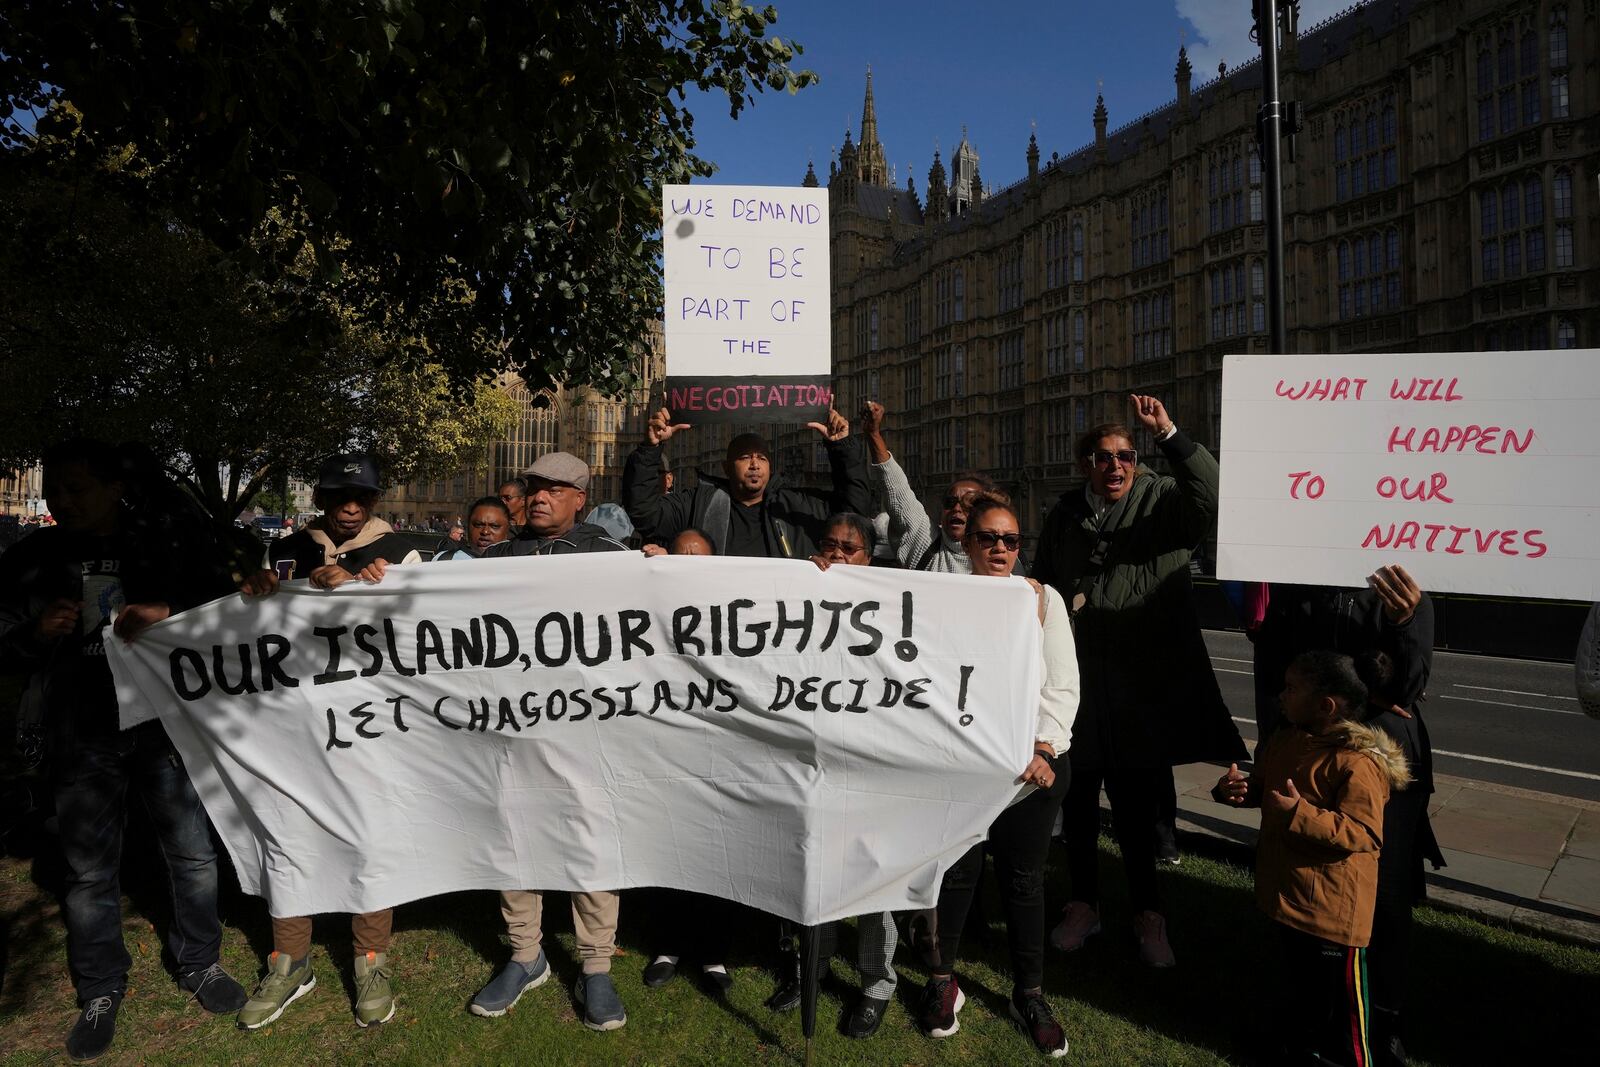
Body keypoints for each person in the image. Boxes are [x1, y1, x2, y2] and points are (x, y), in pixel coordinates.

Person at [0, 440, 248, 1061]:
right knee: (88, 872)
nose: (63, 501)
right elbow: (3, 644)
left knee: (191, 852)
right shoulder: (32, 558)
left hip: (166, 727)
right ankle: (101, 987)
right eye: (55, 489)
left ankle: (201, 962)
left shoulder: (165, 546)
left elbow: (225, 611)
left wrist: (171, 612)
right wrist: (35, 633)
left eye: (77, 487)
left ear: (114, 489)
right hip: (79, 733)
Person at [1032, 396, 1245, 968]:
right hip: (1078, 685)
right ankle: (1083, 905)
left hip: (1139, 688)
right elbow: (1044, 586)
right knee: (1076, 807)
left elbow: (1213, 496)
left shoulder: (1165, 501)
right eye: (1103, 457)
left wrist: (1171, 434)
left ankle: (1149, 914)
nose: (1116, 466)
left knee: (1136, 814)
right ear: (1086, 464)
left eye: (1126, 456)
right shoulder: (1065, 515)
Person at [235, 453, 421, 1030]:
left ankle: (370, 958)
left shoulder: (406, 549)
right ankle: (290, 959)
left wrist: (370, 591)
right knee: (288, 834)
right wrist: (254, 592)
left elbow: (428, 627)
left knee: (369, 835)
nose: (350, 505)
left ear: (374, 499)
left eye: (361, 495)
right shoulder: (286, 549)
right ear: (321, 496)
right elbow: (251, 632)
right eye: (340, 494)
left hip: (370, 723)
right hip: (294, 724)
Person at [1252, 563, 1440, 1066]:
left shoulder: (1403, 585)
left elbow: (1411, 684)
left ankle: (1382, 1020)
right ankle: (1310, 1014)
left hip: (1378, 754)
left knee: (1383, 893)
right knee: (1308, 877)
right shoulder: (1299, 579)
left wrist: (1402, 624)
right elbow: (1274, 669)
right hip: (1310, 747)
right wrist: (1271, 748)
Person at [469, 452, 631, 1030]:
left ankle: (595, 964)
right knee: (514, 838)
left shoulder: (610, 557)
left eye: (555, 489)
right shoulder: (495, 559)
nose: (538, 498)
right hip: (514, 726)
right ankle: (525, 953)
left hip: (588, 728)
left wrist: (663, 569)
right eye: (533, 488)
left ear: (580, 499)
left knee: (591, 839)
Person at [918, 492, 1078, 1058]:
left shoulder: (1040, 599)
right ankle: (943, 980)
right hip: (960, 765)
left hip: (1030, 770)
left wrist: (1046, 748)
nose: (1001, 549)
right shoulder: (940, 596)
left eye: (1012, 540)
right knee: (957, 873)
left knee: (1023, 880)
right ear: (966, 543)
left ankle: (1029, 992)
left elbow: (1061, 683)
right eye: (988, 538)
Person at [1213, 651, 1411, 1067]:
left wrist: (1299, 815)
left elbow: (1364, 832)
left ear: (1326, 705)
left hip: (1333, 918)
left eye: (1291, 688)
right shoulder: (1286, 740)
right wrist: (1235, 791)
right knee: (1301, 991)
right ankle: (1301, 1048)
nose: (1279, 695)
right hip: (1289, 900)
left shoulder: (1359, 762)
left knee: (1343, 1010)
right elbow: (1266, 789)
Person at [801, 513, 902, 1038]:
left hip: (870, 758)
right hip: (815, 758)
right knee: (814, 867)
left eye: (851, 548)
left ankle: (875, 984)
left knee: (871, 873)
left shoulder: (888, 596)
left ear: (870, 556)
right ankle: (811, 968)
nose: (838, 555)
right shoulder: (799, 592)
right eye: (830, 546)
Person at [622, 407, 871, 558]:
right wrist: (650, 449)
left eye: (761, 458)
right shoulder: (699, 503)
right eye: (745, 457)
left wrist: (841, 447)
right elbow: (645, 513)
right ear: (726, 467)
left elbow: (854, 511)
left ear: (770, 467)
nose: (754, 464)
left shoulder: (795, 507)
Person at [856, 400, 996, 573]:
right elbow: (899, 493)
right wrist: (873, 435)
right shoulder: (925, 542)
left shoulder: (1001, 558)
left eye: (969, 502)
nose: (957, 508)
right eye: (950, 501)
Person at [434, 497, 512, 561]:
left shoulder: (519, 562)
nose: (485, 531)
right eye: (478, 525)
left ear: (508, 529)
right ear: (468, 526)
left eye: (494, 526)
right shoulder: (444, 560)